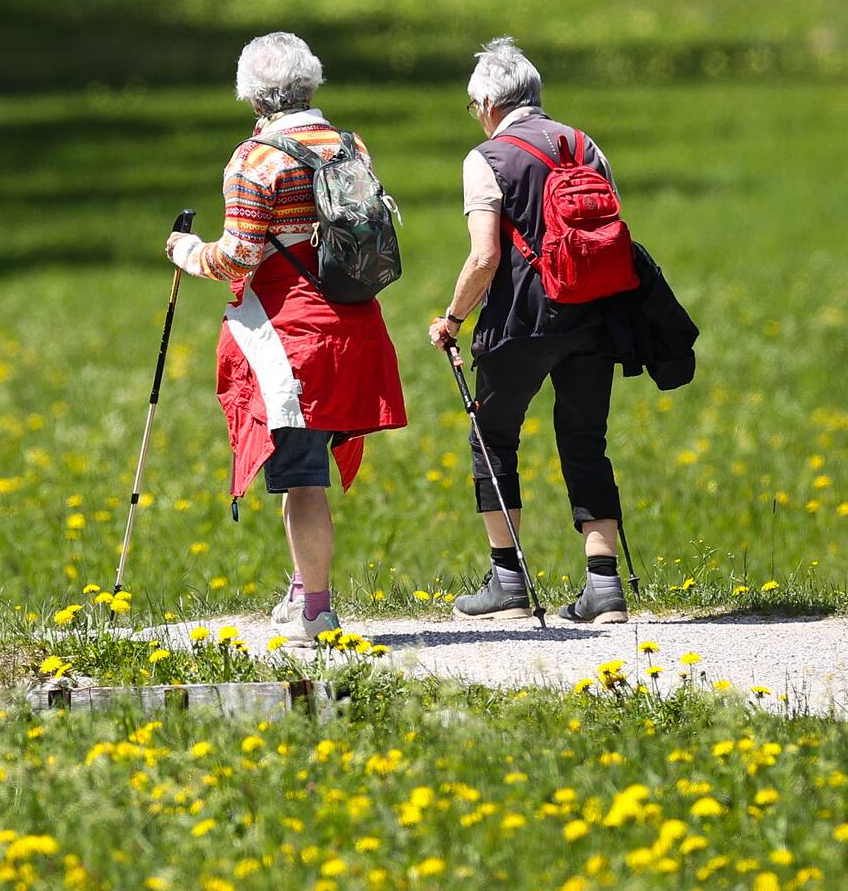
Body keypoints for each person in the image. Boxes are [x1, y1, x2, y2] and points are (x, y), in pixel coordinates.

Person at [166, 32, 407, 644]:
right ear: (311, 81)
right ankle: (303, 589)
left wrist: (189, 252)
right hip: (354, 327)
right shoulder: (350, 147)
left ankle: (318, 611)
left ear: (252, 95)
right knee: (303, 467)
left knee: (302, 480)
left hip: (290, 338)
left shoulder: (254, 161)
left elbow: (238, 258)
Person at [428, 37, 631, 624]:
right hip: (593, 311)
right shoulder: (583, 144)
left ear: (490, 101)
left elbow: (485, 257)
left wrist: (453, 318)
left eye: (475, 107)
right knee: (585, 437)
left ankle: (509, 583)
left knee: (492, 438)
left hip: (520, 317)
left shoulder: (486, 157)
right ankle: (604, 587)